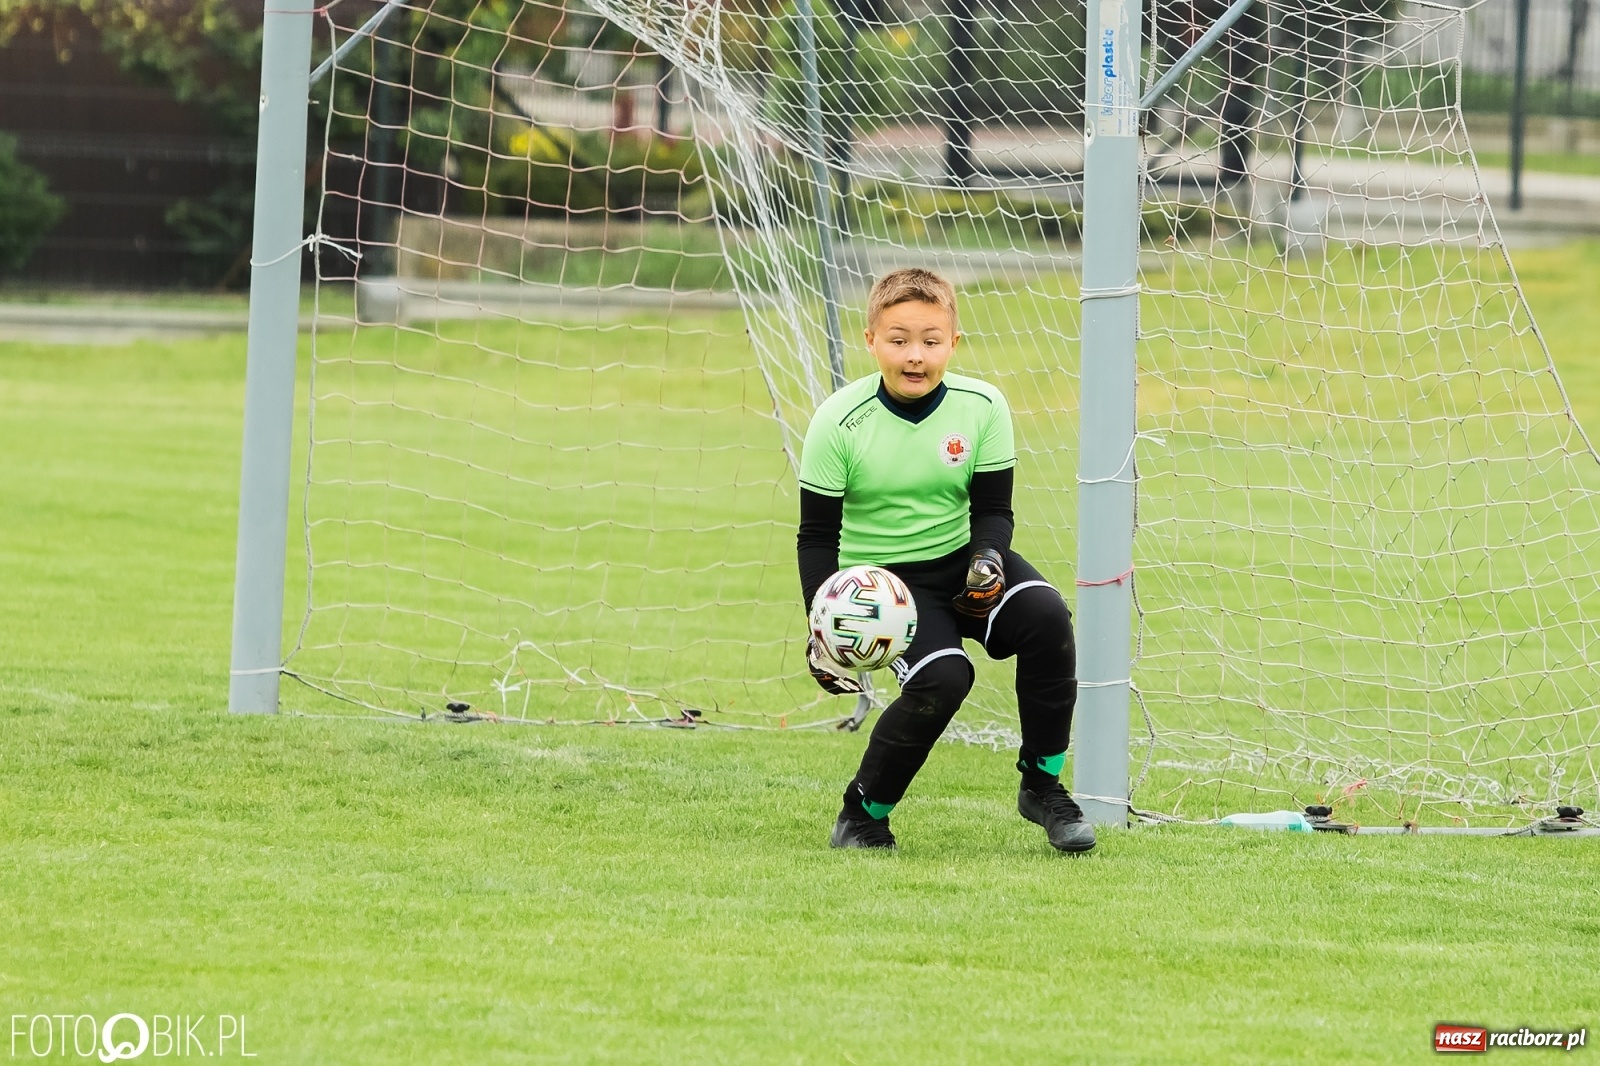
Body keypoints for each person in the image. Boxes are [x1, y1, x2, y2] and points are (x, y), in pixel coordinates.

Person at [796, 268, 1095, 854]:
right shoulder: (838, 420)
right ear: (871, 341)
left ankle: (1042, 786)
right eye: (899, 339)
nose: (915, 355)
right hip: (887, 587)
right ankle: (862, 815)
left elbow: (993, 510)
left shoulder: (983, 406)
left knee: (1047, 617)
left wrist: (988, 559)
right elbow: (816, 537)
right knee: (944, 678)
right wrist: (821, 625)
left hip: (964, 560)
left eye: (931, 341)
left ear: (953, 343)